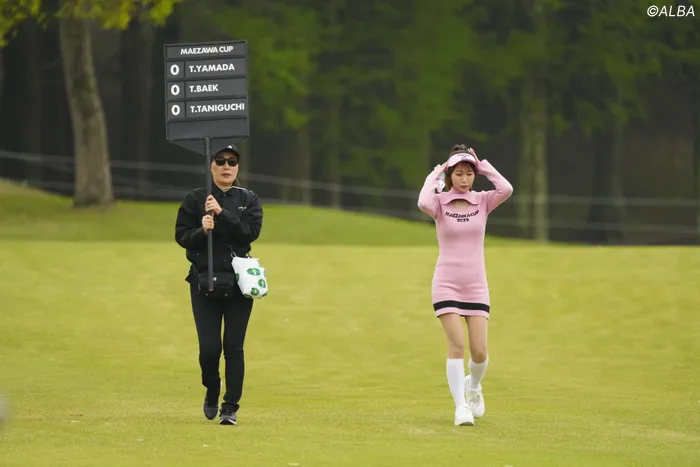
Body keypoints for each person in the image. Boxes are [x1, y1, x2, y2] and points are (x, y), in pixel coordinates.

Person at [417, 144, 513, 426]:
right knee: (457, 345)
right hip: (446, 283)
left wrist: (482, 165)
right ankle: (460, 407)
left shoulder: (483, 201)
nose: (464, 179)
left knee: (479, 351)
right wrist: (434, 175)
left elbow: (506, 189)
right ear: (450, 175)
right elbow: (422, 202)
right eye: (458, 173)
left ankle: (474, 386)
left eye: (469, 173)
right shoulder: (439, 203)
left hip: (476, 285)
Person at [175, 144, 263, 425]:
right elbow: (182, 237)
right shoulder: (195, 198)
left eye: (232, 162)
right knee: (209, 349)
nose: (226, 166)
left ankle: (230, 407)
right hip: (203, 280)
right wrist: (202, 229)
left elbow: (249, 233)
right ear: (211, 166)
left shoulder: (248, 199)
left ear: (238, 168)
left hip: (238, 282)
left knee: (234, 348)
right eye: (221, 161)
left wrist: (222, 213)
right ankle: (212, 388)